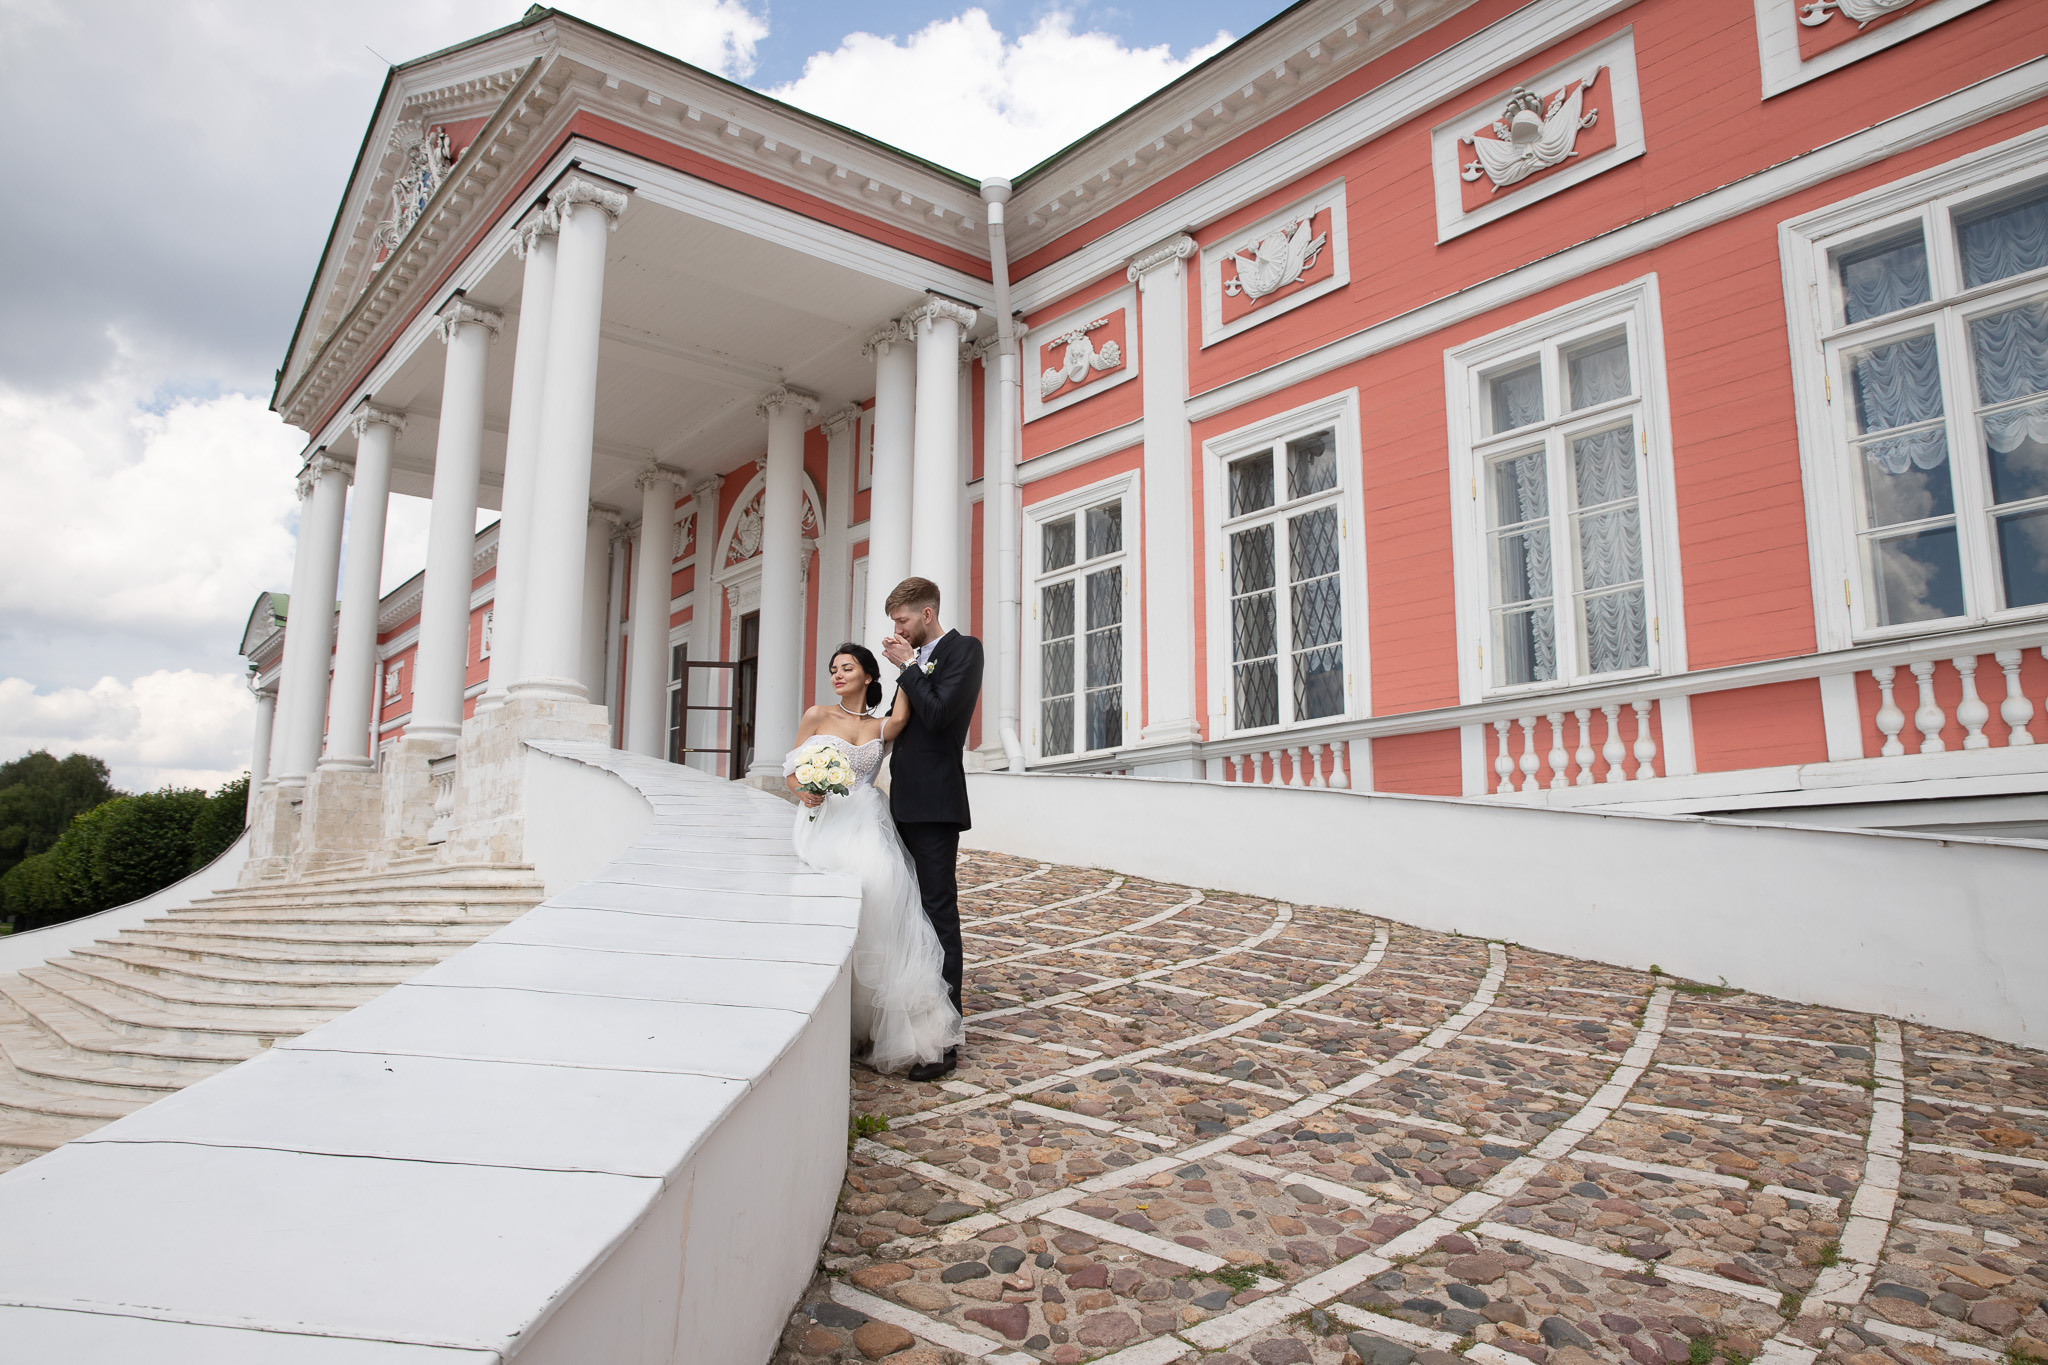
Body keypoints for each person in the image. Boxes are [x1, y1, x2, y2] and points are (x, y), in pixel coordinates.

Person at [784, 643, 963, 1075]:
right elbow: (790, 768)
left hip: (866, 820)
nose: (837, 675)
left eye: (847, 668)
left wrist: (910, 664)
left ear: (867, 675)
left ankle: (882, 1023)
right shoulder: (817, 715)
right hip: (825, 821)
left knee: (884, 896)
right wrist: (801, 788)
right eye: (833, 669)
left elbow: (903, 716)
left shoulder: (884, 725)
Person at [878, 576, 982, 1082]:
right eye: (893, 623)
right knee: (907, 915)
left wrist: (907, 666)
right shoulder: (913, 665)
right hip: (903, 801)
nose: (896, 630)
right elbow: (897, 722)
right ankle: (913, 1024)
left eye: (902, 621)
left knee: (938, 912)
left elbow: (939, 715)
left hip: (937, 803)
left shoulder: (964, 650)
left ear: (927, 614)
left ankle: (945, 1040)